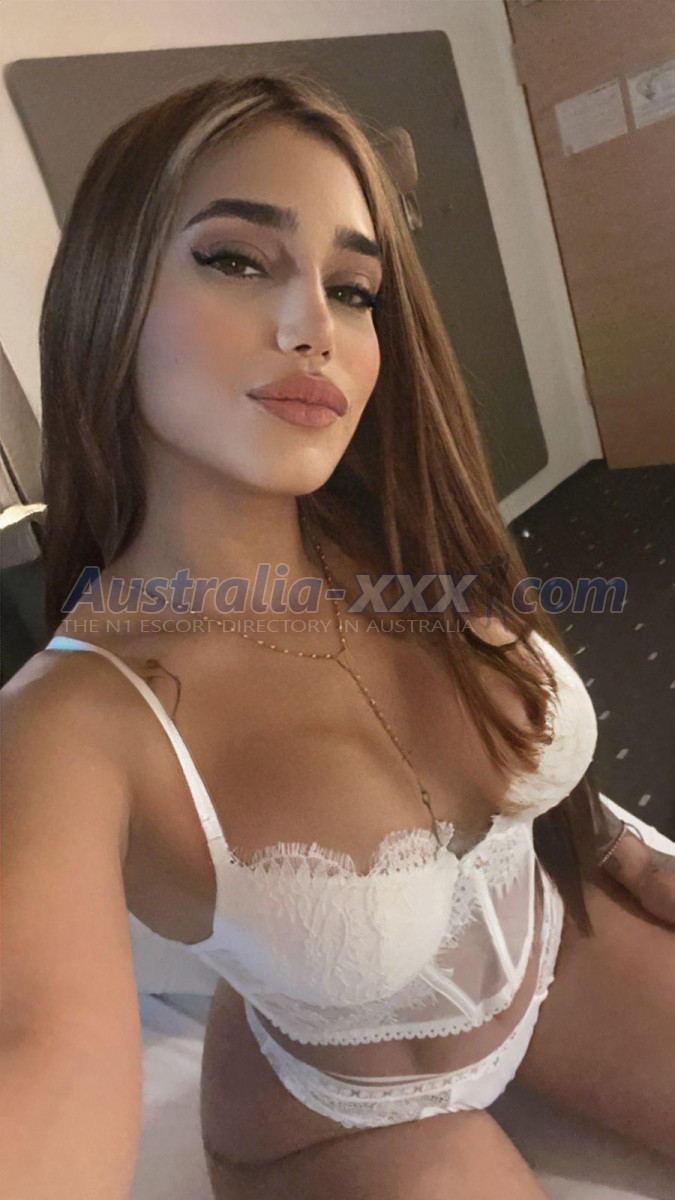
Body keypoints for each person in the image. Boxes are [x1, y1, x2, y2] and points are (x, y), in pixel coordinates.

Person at [2, 72, 673, 1200]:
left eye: (354, 288)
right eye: (235, 259)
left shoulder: (401, 529)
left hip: (559, 952)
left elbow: (508, 775)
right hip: (338, 1118)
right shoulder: (70, 724)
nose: (315, 326)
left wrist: (615, 851)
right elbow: (36, 1058)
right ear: (107, 294)